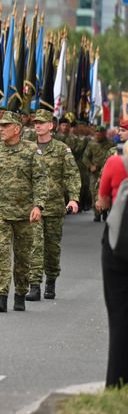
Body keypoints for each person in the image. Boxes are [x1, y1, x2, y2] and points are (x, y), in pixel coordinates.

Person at [0, 111, 49, 313]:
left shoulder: (31, 150)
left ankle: (20, 293)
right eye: (0, 126)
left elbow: (41, 179)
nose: (1, 129)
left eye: (5, 126)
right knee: (0, 255)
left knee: (22, 257)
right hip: (0, 211)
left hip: (24, 213)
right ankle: (0, 296)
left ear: (17, 129)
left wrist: (38, 205)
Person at [25, 110, 80, 301]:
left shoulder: (61, 149)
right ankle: (34, 285)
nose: (37, 125)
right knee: (35, 244)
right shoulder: (28, 148)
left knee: (52, 247)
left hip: (55, 206)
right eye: (35, 123)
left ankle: (51, 281)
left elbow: (71, 174)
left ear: (51, 125)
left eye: (42, 122)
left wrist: (73, 198)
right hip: (33, 205)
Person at [97, 119, 128, 387]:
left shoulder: (116, 162)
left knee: (119, 316)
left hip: (119, 242)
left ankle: (116, 383)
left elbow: (102, 201)